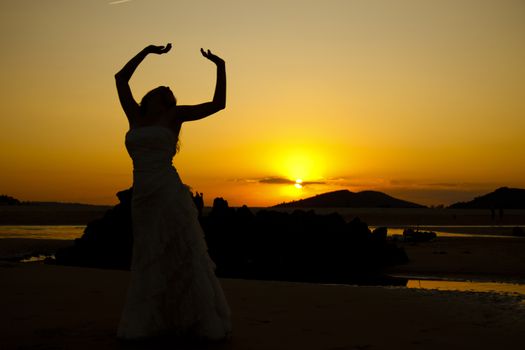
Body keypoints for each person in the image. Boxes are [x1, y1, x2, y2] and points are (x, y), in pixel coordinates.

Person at [115, 43, 231, 341]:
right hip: (142, 196)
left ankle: (195, 319)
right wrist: (146, 51)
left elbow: (218, 104)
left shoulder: (174, 116)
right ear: (149, 98)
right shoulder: (135, 117)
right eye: (160, 94)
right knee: (148, 254)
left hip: (167, 190)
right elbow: (120, 78)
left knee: (179, 251)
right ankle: (155, 319)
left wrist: (220, 65)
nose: (164, 96)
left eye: (168, 96)